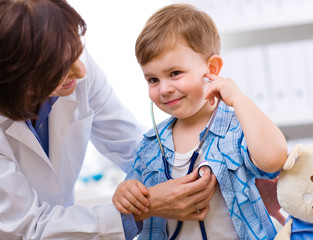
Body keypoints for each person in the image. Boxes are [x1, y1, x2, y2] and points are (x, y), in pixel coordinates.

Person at [0, 1, 217, 239]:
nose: (81, 71)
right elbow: (28, 229)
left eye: (76, 50)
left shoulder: (71, 62)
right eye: (59, 69)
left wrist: (201, 168)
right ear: (18, 78)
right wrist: (139, 208)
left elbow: (136, 148)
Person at [112, 3, 288, 240]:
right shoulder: (150, 144)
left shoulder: (237, 128)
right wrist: (124, 192)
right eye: (152, 79)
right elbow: (133, 191)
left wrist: (238, 98)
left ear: (211, 68)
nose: (164, 89)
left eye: (175, 73)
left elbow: (273, 158)